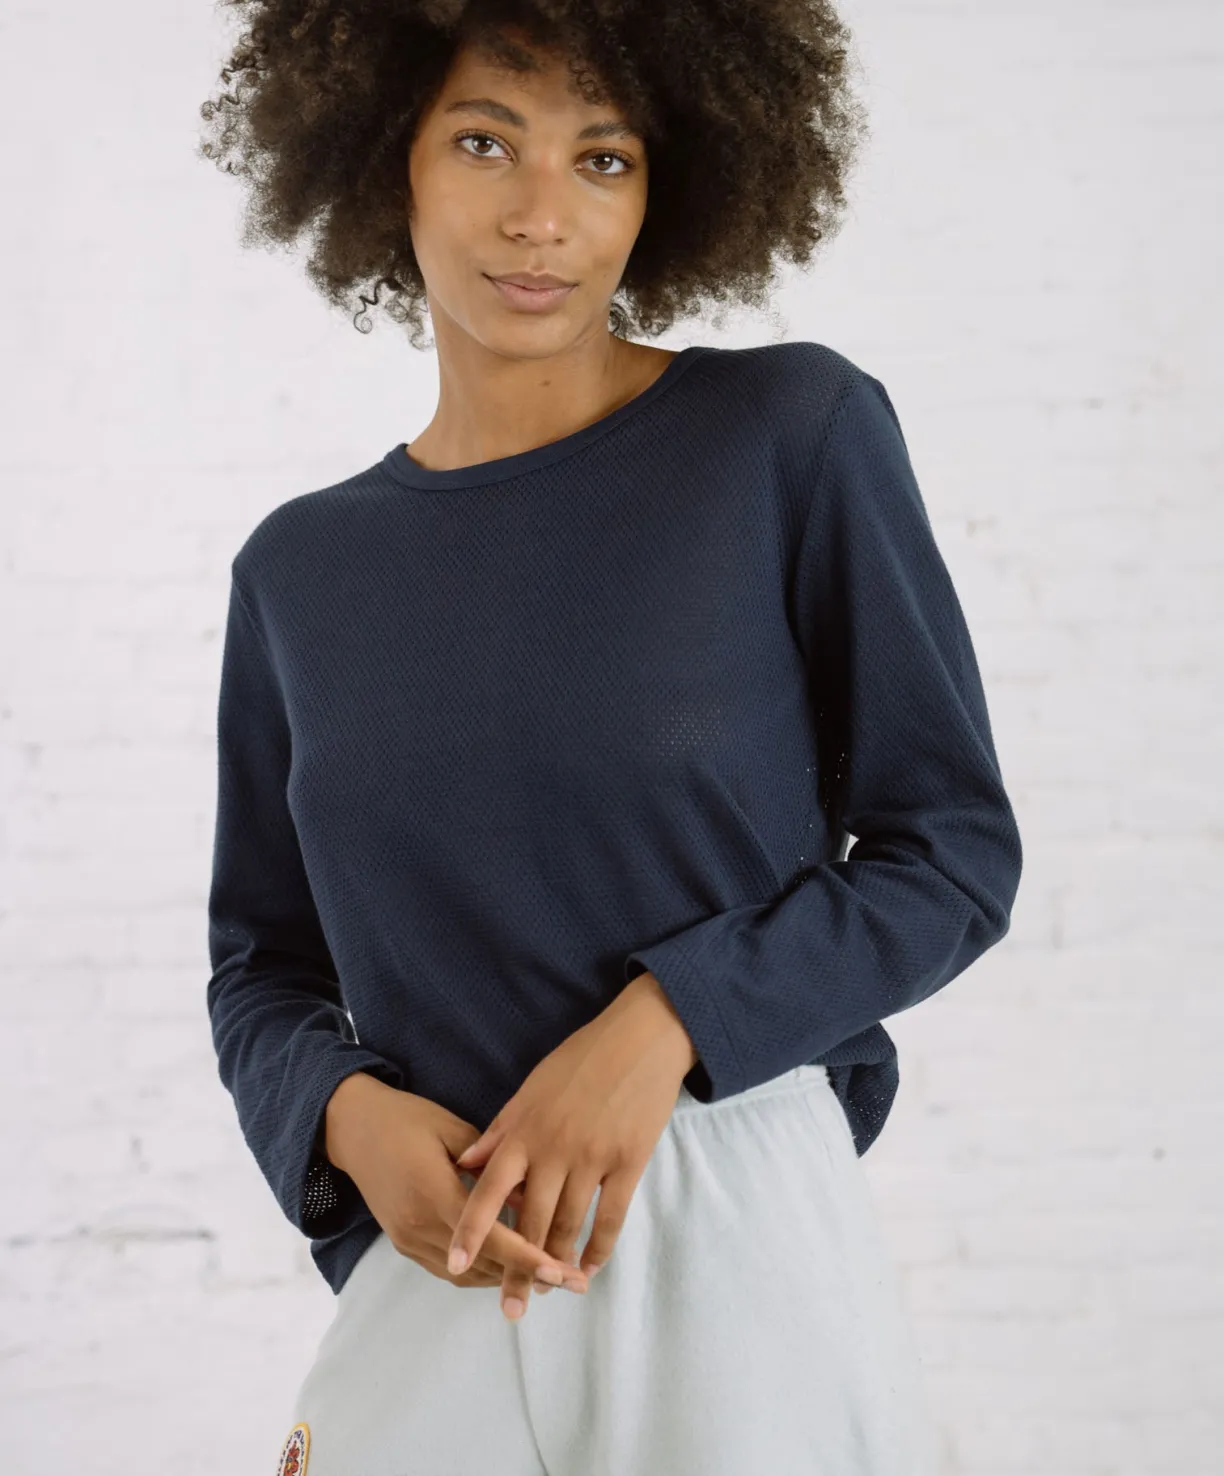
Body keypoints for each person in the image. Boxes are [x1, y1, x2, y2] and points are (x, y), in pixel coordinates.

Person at [199, 3, 1023, 1473]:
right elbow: (262, 965)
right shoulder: (299, 574)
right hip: (445, 1255)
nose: (543, 216)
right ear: (386, 160)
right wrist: (346, 1118)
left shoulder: (787, 436)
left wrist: (665, 1024)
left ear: (666, 186)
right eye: (484, 143)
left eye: (603, 158)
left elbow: (949, 855)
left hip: (733, 1230)